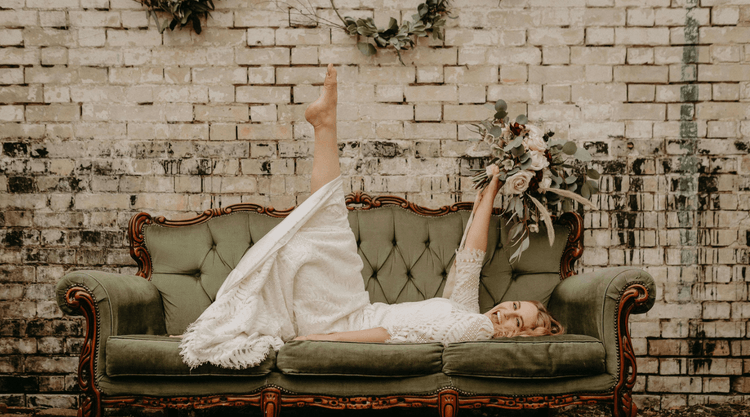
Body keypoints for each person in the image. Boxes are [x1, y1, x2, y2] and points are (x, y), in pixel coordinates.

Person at [178, 64, 563, 370]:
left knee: (327, 232)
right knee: (330, 230)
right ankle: (324, 123)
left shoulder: (473, 328)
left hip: (344, 323)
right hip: (352, 309)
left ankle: (325, 125)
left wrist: (323, 341)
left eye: (518, 322)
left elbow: (389, 334)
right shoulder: (468, 313)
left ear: (521, 338)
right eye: (514, 306)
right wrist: (491, 190)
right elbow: (471, 259)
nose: (506, 313)